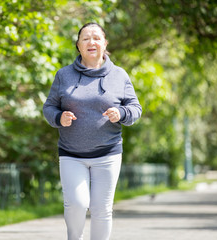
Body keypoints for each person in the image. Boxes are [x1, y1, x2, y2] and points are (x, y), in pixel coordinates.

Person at [43, 22, 142, 240]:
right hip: (71, 154)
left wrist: (122, 113)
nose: (91, 42)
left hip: (108, 153)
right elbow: (49, 107)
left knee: (102, 209)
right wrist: (59, 117)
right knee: (77, 204)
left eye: (96, 37)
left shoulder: (119, 75)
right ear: (78, 46)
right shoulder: (64, 75)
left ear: (105, 43)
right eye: (85, 38)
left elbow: (136, 108)